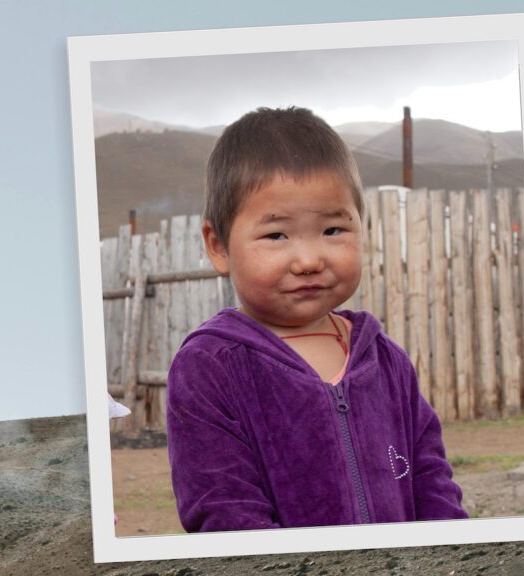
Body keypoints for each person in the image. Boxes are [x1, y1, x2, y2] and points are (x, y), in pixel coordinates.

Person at [166, 107, 467, 533]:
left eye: (332, 231)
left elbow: (432, 482)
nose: (308, 260)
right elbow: (223, 514)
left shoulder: (385, 360)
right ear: (218, 246)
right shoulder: (211, 367)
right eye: (276, 235)